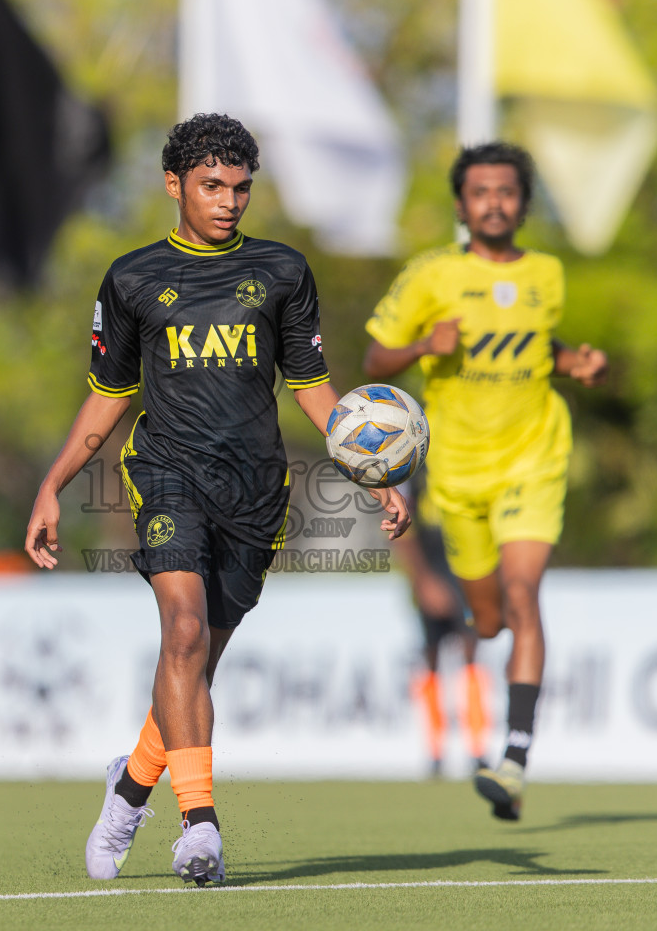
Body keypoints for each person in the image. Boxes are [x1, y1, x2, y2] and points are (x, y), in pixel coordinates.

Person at [24, 114, 409, 886]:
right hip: (166, 475)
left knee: (195, 667)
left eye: (240, 188)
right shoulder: (132, 279)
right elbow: (107, 397)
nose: (228, 201)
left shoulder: (282, 272)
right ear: (174, 185)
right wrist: (51, 485)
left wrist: (377, 469)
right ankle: (200, 828)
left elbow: (312, 388)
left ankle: (130, 787)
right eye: (211, 186)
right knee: (185, 628)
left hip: (257, 492)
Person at [363, 142, 608, 821]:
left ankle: (514, 759)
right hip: (460, 477)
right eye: (481, 192)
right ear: (462, 205)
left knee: (525, 593)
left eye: (507, 191)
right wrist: (420, 349)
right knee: (490, 621)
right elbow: (374, 357)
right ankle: (493, 637)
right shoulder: (431, 276)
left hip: (535, 458)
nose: (494, 202)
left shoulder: (547, 275)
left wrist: (575, 362)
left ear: (524, 203)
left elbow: (535, 344)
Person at [392, 479, 490, 777]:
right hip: (431, 572)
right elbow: (401, 530)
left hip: (465, 571)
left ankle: (478, 749)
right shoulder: (415, 468)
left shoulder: (464, 460)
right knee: (431, 656)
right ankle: (435, 752)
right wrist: (423, 581)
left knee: (472, 650)